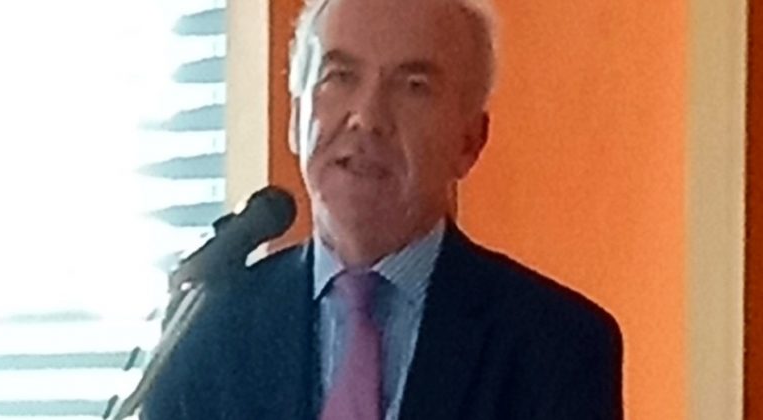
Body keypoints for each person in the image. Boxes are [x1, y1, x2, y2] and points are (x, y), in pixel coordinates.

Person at [142, 0, 624, 418]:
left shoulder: (556, 346)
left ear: (469, 142)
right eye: (339, 77)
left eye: (413, 86)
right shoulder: (208, 326)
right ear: (296, 116)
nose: (366, 117)